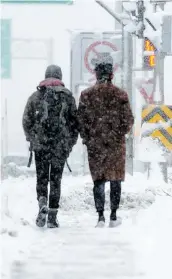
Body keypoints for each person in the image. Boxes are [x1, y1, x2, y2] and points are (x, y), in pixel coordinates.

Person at [78, 61, 134, 227]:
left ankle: (100, 216)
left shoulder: (86, 95)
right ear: (111, 75)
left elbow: (80, 121)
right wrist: (118, 133)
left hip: (95, 145)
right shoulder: (120, 95)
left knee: (99, 180)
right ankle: (114, 216)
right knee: (115, 180)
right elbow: (128, 120)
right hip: (115, 145)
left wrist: (88, 137)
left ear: (96, 75)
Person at [22, 65, 78, 228]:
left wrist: (33, 139)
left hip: (41, 147)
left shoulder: (35, 96)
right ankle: (52, 216)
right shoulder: (67, 97)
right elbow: (75, 123)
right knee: (55, 180)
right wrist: (69, 143)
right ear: (59, 77)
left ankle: (42, 203)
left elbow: (26, 121)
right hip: (60, 147)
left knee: (42, 178)